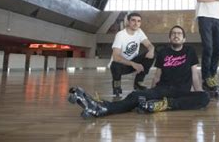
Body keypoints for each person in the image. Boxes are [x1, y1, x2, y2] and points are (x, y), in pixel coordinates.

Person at [68, 25, 210, 118]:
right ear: (169, 38)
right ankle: (101, 107)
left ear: (184, 38)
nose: (176, 35)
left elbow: (195, 75)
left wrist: (198, 91)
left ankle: (163, 105)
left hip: (181, 91)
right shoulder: (163, 52)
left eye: (179, 33)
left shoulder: (190, 51)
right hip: (163, 89)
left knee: (204, 97)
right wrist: (151, 93)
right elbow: (157, 75)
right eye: (173, 33)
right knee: (137, 95)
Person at [109, 12, 155, 96]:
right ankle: (117, 87)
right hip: (121, 66)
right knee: (115, 64)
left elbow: (149, 45)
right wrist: (133, 64)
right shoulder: (120, 35)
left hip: (134, 62)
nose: (136, 23)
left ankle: (138, 83)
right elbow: (116, 57)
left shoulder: (139, 32)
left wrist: (151, 50)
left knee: (152, 55)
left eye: (138, 21)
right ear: (128, 21)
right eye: (133, 20)